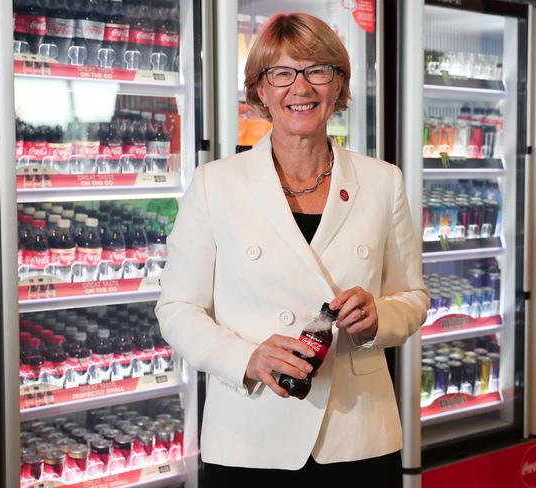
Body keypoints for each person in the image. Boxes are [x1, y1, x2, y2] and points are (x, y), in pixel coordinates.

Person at [155, 12, 428, 486]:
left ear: (338, 85)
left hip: (358, 434)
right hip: (249, 434)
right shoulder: (216, 183)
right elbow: (177, 308)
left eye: (317, 70)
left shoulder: (383, 182)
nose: (300, 88)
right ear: (260, 89)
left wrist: (378, 317)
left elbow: (412, 297)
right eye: (281, 73)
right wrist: (247, 359)